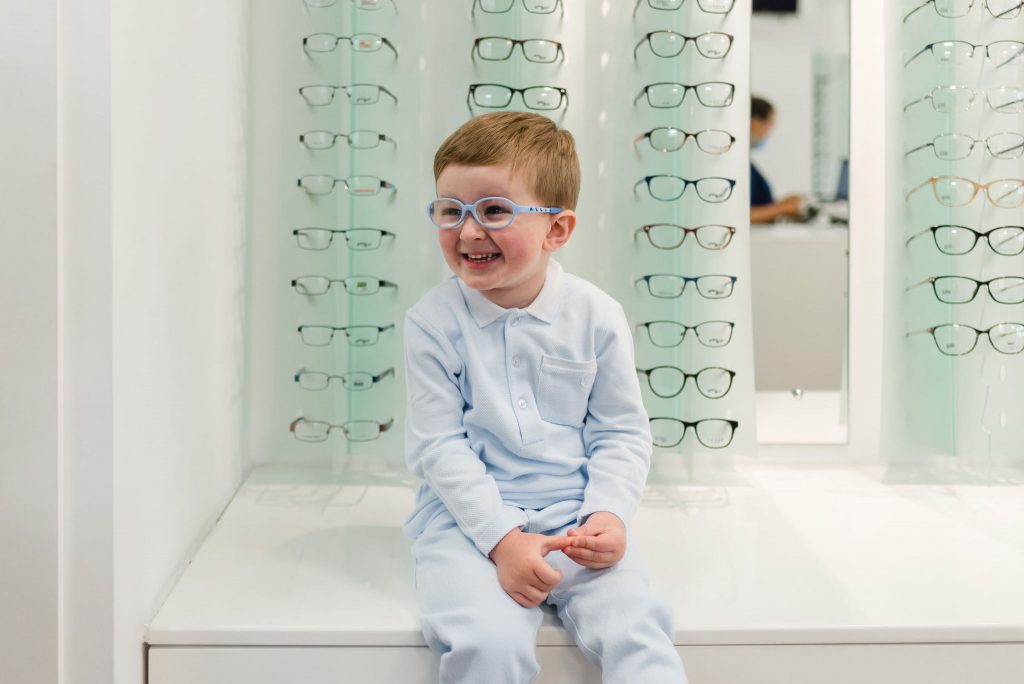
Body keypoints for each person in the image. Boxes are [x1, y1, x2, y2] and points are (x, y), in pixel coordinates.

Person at [403, 111, 687, 684]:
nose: (468, 231)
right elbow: (439, 449)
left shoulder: (597, 316)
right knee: (488, 643)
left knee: (640, 634)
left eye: (495, 210)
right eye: (449, 210)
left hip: (575, 513)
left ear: (556, 230)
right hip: (465, 525)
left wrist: (608, 514)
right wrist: (503, 541)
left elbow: (621, 432)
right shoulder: (432, 323)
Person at [750, 96, 805, 224]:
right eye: (769, 125)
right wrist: (784, 208)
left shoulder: (749, 166)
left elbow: (757, 204)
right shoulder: (735, 167)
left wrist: (782, 205)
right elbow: (740, 215)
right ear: (756, 122)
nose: (769, 133)